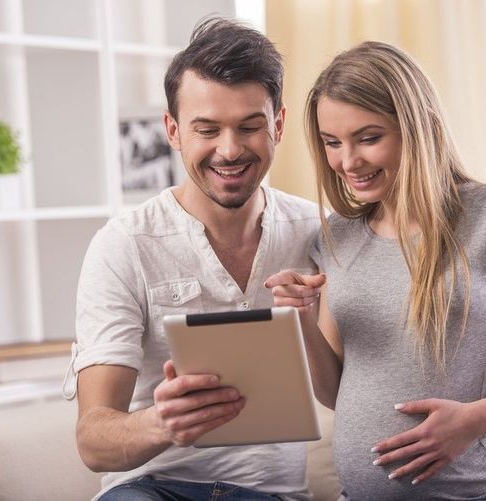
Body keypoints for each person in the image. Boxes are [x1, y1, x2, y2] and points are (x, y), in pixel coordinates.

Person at [265, 41, 486, 500]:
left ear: (417, 127)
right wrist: (302, 319)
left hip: (483, 492)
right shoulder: (335, 239)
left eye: (368, 138)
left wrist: (481, 416)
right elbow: (335, 393)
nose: (348, 161)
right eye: (332, 143)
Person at [65, 17, 320, 500]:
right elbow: (93, 442)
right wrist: (162, 423)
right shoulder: (125, 244)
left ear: (279, 125)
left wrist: (485, 400)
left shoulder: (317, 232)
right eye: (207, 129)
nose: (230, 150)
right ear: (173, 130)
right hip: (151, 488)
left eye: (250, 127)